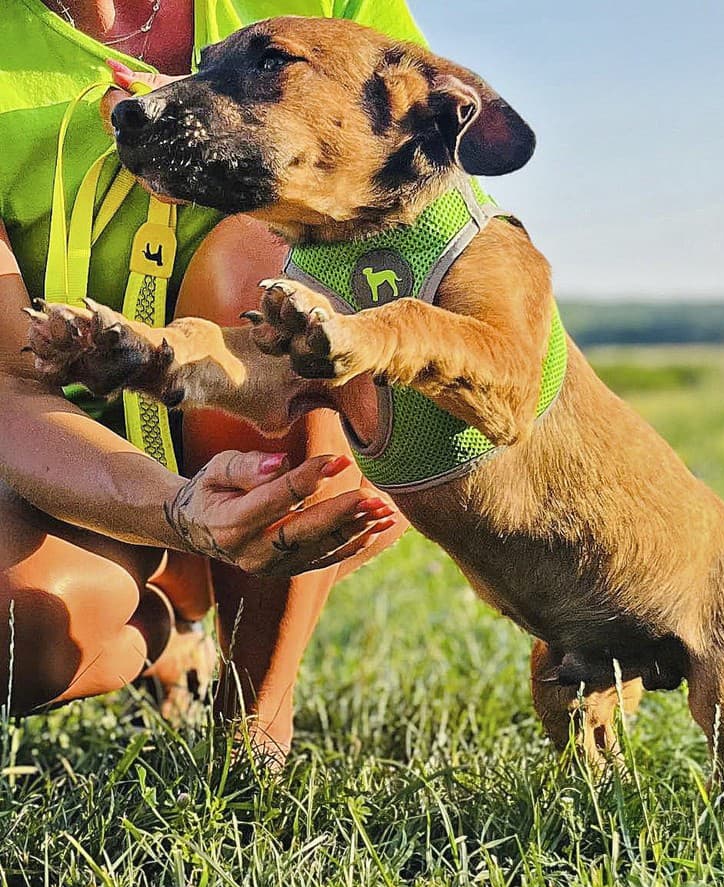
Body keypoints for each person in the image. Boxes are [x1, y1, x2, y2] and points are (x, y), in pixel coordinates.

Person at [0, 0, 423, 756]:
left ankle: (255, 719)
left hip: (279, 420)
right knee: (22, 627)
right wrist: (177, 511)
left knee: (270, 264)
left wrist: (559, 574)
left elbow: (436, 236)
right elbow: (8, 392)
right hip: (58, 465)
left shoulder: (328, 10)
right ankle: (163, 623)